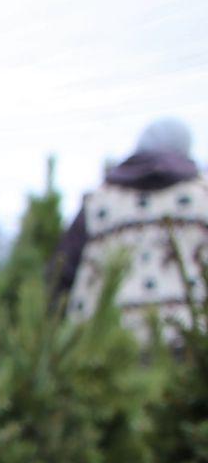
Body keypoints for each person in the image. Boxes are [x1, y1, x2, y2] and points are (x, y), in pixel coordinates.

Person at [57, 118, 208, 341]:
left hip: (108, 340)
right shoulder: (202, 195)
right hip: (190, 338)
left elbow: (62, 271)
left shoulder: (100, 200)